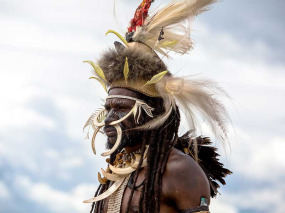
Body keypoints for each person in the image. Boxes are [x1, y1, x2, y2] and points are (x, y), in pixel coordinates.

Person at [83, 0, 231, 212]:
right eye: (108, 108)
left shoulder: (179, 170)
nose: (110, 118)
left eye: (122, 108)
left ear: (150, 113)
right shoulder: (117, 169)